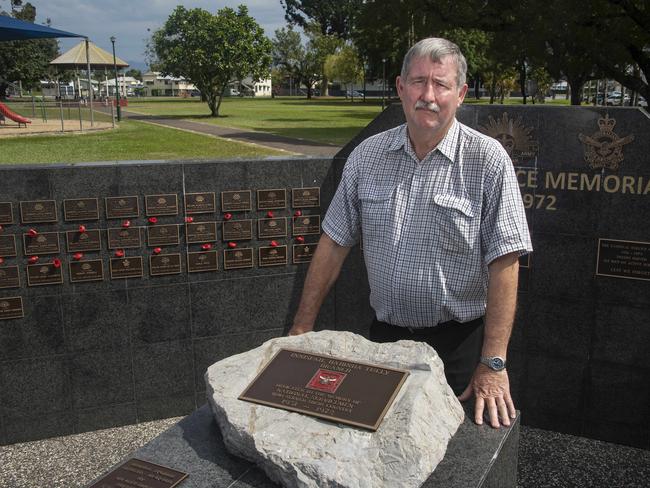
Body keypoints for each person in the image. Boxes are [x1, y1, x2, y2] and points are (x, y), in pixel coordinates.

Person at [288, 37, 532, 429]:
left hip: (458, 347)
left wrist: (493, 363)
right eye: (418, 82)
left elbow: (506, 263)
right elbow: (333, 243)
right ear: (401, 87)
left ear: (461, 93)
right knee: (380, 441)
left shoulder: (487, 161)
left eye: (441, 84)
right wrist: (301, 328)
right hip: (383, 339)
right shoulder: (367, 157)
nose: (429, 96)